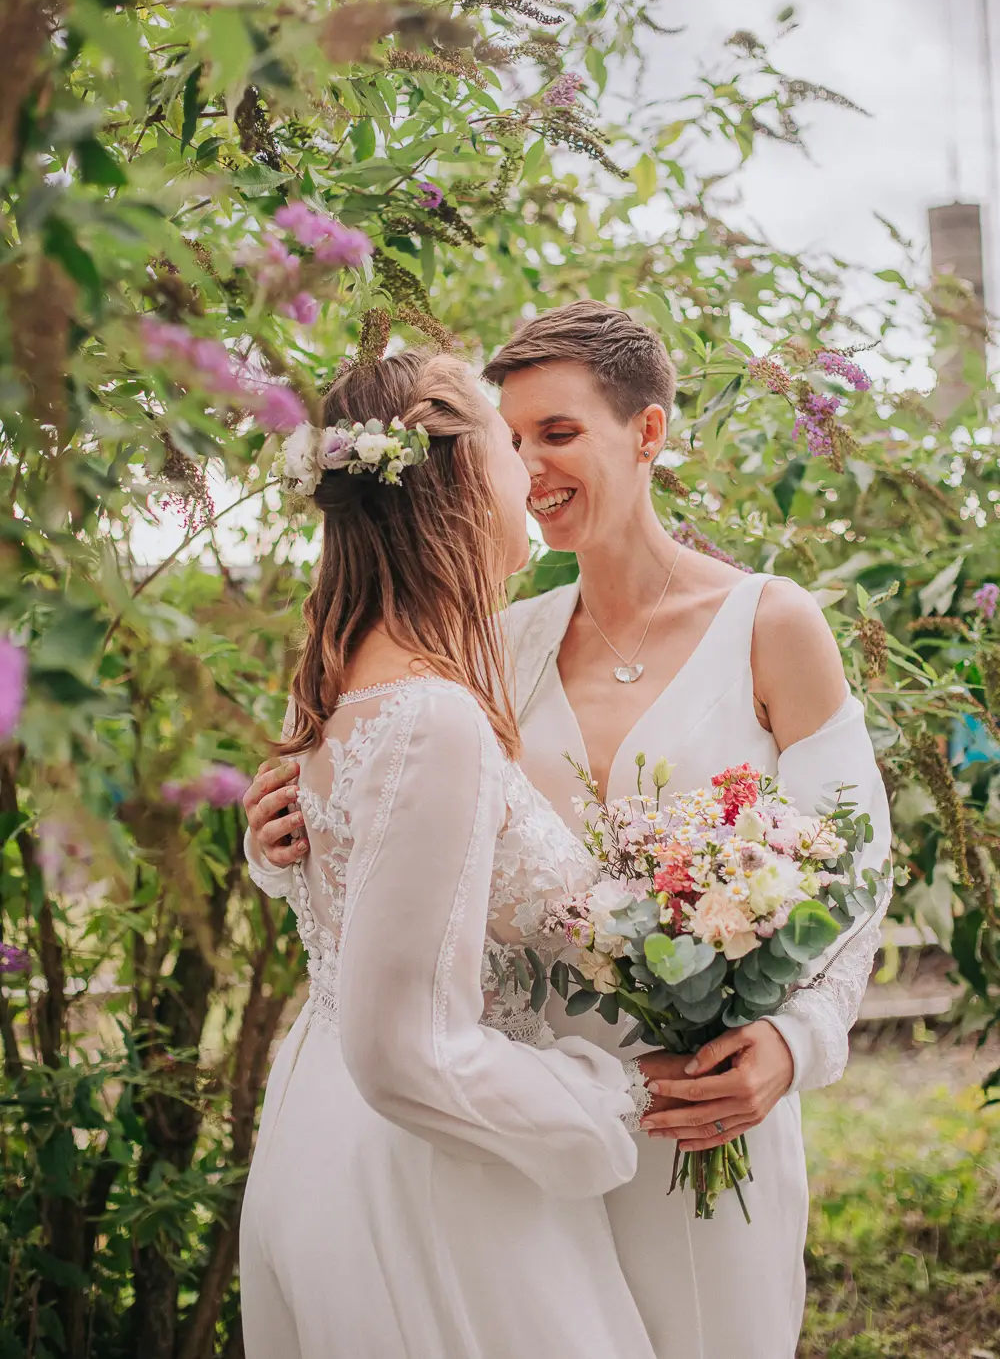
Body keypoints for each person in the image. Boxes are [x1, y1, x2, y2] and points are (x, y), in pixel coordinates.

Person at [246, 306, 893, 1359]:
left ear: (646, 434)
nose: (530, 465)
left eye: (558, 433)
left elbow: (855, 868)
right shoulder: (492, 644)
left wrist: (794, 1042)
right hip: (509, 1132)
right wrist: (278, 838)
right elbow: (387, 825)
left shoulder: (772, 626)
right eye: (512, 438)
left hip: (698, 1110)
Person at [238, 349, 656, 1359]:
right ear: (458, 482)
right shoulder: (432, 716)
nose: (524, 468)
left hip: (331, 1128)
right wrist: (596, 1110)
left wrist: (269, 856)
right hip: (442, 1171)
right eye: (503, 443)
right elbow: (404, 1052)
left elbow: (348, 876)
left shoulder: (338, 682)